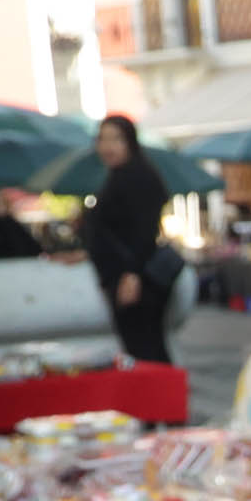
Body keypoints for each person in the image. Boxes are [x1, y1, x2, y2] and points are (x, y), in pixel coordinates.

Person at [82, 113, 174, 365]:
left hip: (136, 278)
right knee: (139, 347)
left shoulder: (137, 175)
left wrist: (132, 274)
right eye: (103, 139)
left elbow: (144, 230)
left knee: (145, 347)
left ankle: (162, 401)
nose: (108, 146)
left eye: (116, 139)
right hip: (123, 275)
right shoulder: (118, 177)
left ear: (130, 142)